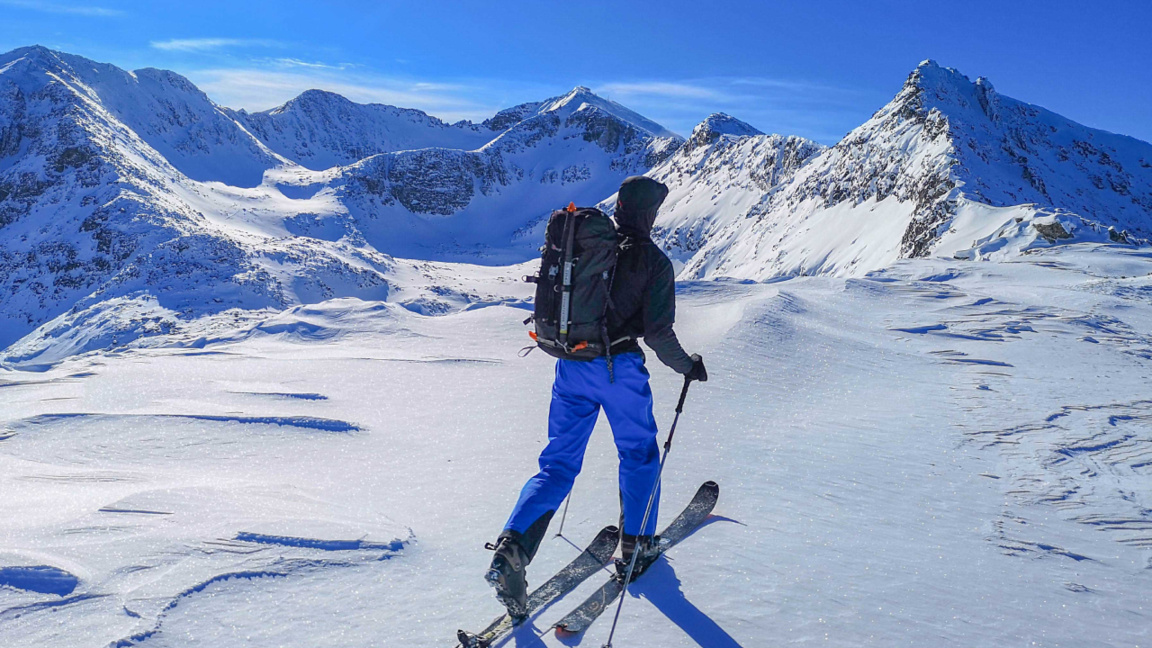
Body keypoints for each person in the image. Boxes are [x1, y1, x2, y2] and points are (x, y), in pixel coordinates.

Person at [485, 175, 708, 618]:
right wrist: (688, 366)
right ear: (650, 214)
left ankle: (511, 549)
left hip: (571, 365)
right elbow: (658, 333)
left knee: (557, 465)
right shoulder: (653, 262)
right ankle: (639, 544)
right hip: (618, 370)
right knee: (639, 455)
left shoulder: (584, 249)